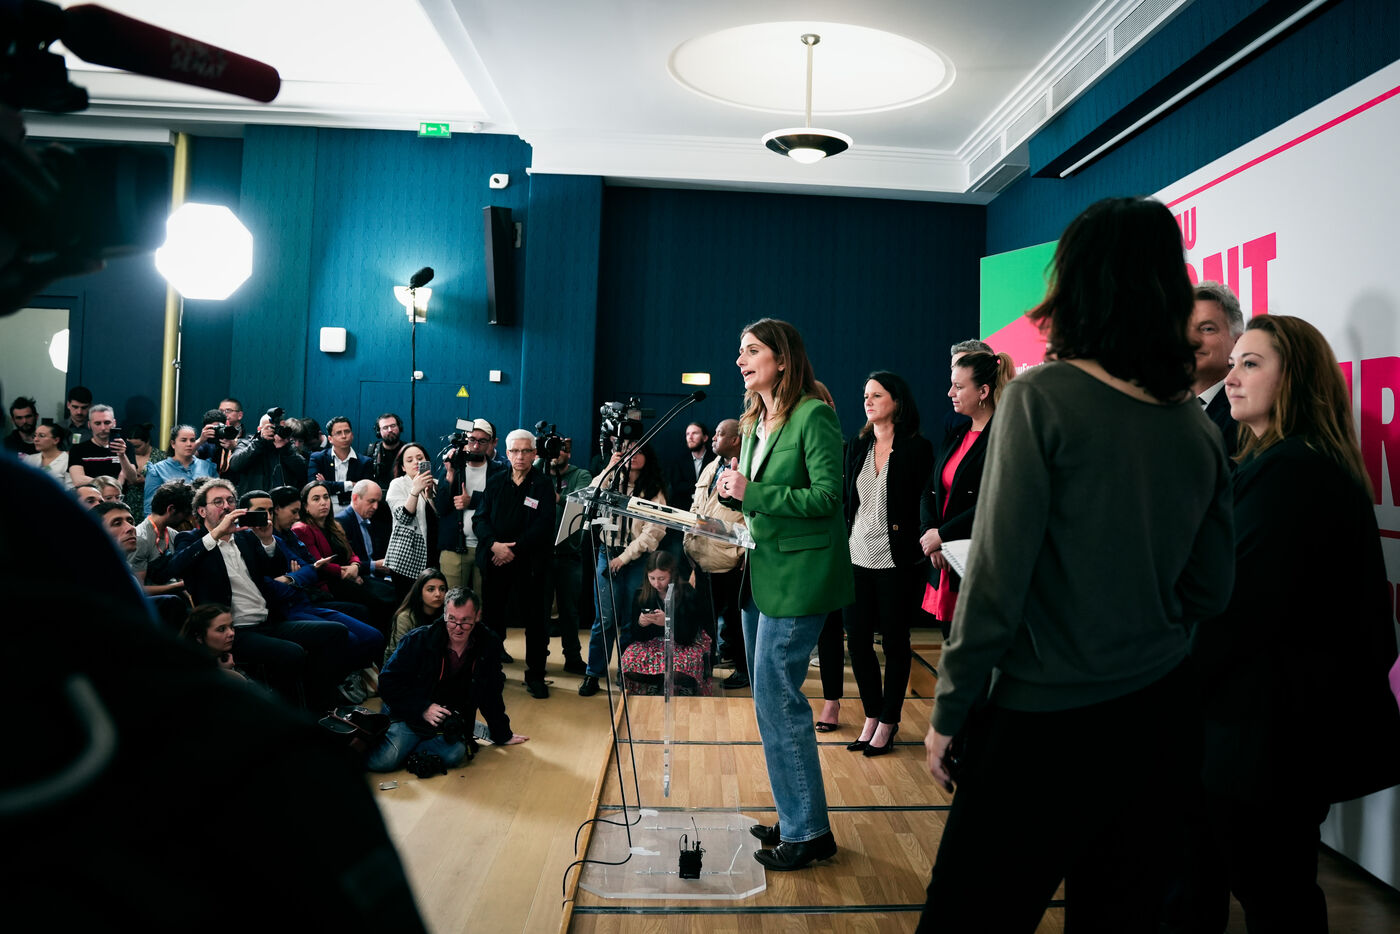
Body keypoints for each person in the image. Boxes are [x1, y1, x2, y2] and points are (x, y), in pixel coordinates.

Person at [918, 197, 1234, 931]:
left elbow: (995, 585)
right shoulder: (1194, 428)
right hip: (1159, 723)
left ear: (1078, 281)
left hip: (1042, 725)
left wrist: (949, 711)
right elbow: (1212, 589)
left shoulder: (1041, 398)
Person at [1190, 314, 1400, 930]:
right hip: (1260, 733)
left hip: (1267, 740)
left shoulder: (1293, 471)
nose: (1232, 376)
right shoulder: (1282, 464)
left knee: (1276, 897)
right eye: (1235, 362)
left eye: (1251, 364)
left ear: (1296, 378)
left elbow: (1232, 611)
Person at [719, 317, 854, 872]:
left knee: (779, 701)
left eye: (752, 351)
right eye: (740, 351)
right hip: (761, 571)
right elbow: (759, 497)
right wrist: (736, 495)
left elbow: (826, 497)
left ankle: (809, 833)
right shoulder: (755, 420)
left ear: (782, 359)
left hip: (800, 576)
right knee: (768, 702)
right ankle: (798, 815)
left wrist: (753, 491)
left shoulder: (813, 415)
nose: (741, 360)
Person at [842, 370, 934, 755]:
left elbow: (924, 502)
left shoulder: (917, 448)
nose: (868, 401)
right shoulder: (858, 445)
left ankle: (889, 720)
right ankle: (871, 714)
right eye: (866, 395)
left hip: (897, 561)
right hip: (856, 556)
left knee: (895, 643)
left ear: (897, 401)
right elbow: (850, 503)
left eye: (877, 395)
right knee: (858, 642)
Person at [368, 588, 528, 772]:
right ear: (444, 614)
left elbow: (491, 693)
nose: (458, 628)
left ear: (477, 616)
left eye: (465, 621)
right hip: (410, 713)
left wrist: (502, 734)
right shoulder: (418, 640)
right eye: (452, 619)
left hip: (447, 718)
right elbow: (387, 683)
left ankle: (415, 745)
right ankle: (407, 741)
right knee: (382, 762)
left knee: (455, 754)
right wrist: (423, 708)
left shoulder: (488, 643)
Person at [920, 351, 1016, 640]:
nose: (950, 393)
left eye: (959, 387)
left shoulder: (1005, 436)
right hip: (944, 562)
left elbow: (994, 503)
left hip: (980, 564)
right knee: (951, 644)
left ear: (983, 391)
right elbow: (929, 489)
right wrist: (931, 535)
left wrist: (942, 535)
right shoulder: (957, 432)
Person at [578, 439, 667, 697]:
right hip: (607, 554)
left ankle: (627, 672)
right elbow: (590, 496)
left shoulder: (654, 489)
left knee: (630, 620)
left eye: (639, 451)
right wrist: (609, 468)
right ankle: (593, 673)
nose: (633, 456)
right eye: (627, 451)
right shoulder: (611, 481)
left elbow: (654, 531)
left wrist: (625, 558)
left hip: (635, 560)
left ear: (648, 456)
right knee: (605, 619)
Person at [473, 428, 556, 697]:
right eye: (515, 451)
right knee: (493, 620)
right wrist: (494, 545)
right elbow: (480, 519)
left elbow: (544, 525)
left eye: (525, 451)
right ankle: (491, 671)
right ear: (507, 453)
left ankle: (535, 675)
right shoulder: (495, 481)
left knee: (536, 623)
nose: (520, 456)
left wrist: (513, 550)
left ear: (534, 454)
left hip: (531, 566)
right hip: (495, 561)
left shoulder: (543, 484)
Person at [685, 418, 747, 689]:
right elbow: (696, 506)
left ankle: (744, 670)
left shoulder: (748, 469)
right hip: (702, 556)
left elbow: (752, 517)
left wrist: (744, 553)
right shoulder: (711, 467)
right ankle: (706, 668)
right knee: (704, 620)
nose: (713, 438)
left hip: (729, 559)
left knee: (735, 621)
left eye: (719, 434)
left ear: (735, 440)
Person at [620, 550, 711, 695]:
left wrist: (668, 623)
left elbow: (688, 638)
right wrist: (641, 624)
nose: (656, 583)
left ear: (672, 575)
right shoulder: (641, 594)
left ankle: (670, 682)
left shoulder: (687, 592)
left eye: (662, 578)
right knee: (628, 663)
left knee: (680, 668)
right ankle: (658, 682)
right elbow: (637, 637)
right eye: (652, 578)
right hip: (653, 644)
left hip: (683, 643)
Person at [543, 435, 590, 676]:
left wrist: (557, 498)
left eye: (560, 449)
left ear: (568, 452)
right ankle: (539, 659)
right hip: (541, 554)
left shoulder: (580, 475)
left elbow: (581, 504)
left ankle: (572, 657)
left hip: (568, 553)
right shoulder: (539, 474)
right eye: (551, 449)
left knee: (569, 611)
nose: (555, 453)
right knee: (540, 610)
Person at [1190, 280, 1245, 458]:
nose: (1190, 339)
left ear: (1237, 342)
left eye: (1207, 329)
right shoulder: (1159, 407)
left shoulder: (1248, 414)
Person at [383, 442, 440, 600]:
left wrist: (430, 496)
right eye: (409, 460)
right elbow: (404, 518)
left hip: (433, 552)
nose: (416, 462)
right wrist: (415, 490)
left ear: (427, 461)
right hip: (406, 557)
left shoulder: (436, 484)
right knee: (408, 603)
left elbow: (441, 518)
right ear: (403, 467)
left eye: (420, 458)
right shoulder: (397, 484)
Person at [143, 424, 215, 514]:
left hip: (205, 519)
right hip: (172, 519)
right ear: (173, 444)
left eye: (192, 440)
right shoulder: (158, 470)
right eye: (183, 440)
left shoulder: (207, 466)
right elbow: (150, 507)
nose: (189, 444)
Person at [386, 568, 449, 662]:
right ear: (419, 592)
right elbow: (398, 655)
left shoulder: (446, 615)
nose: (438, 594)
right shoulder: (405, 618)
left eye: (442, 589)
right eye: (431, 589)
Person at [68, 403, 137, 489]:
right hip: (90, 496)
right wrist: (113, 483)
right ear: (89, 425)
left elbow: (133, 479)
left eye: (107, 423)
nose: (103, 428)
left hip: (119, 496)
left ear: (114, 423)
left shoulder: (124, 446)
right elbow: (78, 480)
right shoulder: (78, 449)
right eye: (97, 423)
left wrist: (122, 456)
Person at [179, 603, 249, 681]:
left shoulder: (228, 657)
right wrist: (224, 673)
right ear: (199, 637)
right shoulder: (190, 670)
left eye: (231, 626)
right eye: (221, 629)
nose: (231, 633)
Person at [20, 421, 71, 489]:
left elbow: (71, 490)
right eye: (34, 436)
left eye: (41, 436)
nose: (36, 439)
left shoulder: (67, 460)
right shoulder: (29, 459)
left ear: (56, 440)